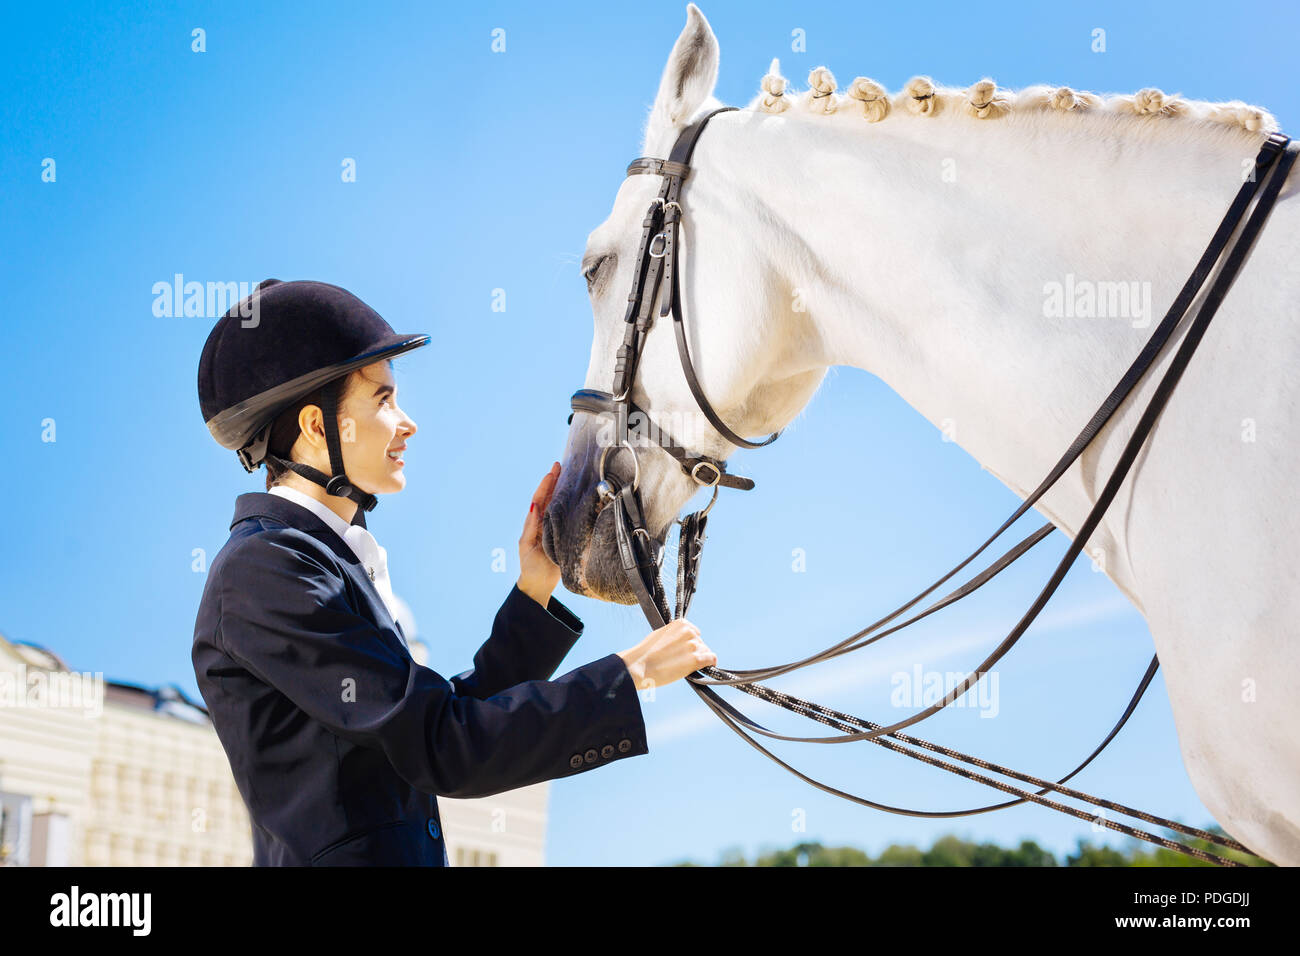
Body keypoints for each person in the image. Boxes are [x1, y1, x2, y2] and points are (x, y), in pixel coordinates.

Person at [192, 279, 715, 866]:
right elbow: (447, 746)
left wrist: (532, 592)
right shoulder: (265, 570)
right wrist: (629, 674)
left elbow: (434, 724)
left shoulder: (314, 558)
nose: (406, 422)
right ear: (317, 427)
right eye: (383, 400)